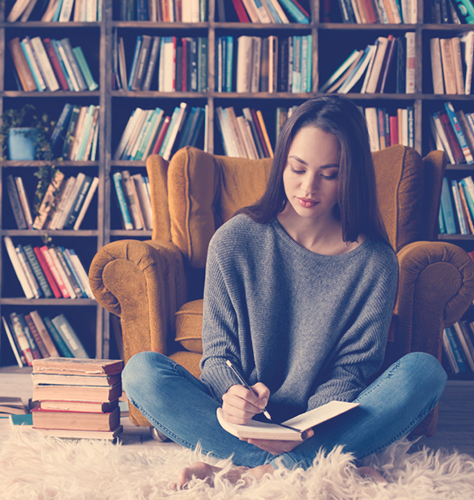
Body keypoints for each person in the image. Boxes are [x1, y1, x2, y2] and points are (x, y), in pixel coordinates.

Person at [121, 95, 448, 488]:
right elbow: (219, 353)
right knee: (141, 372)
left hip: (324, 423)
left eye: (329, 174)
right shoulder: (235, 240)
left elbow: (351, 370)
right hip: (242, 423)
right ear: (282, 164)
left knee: (425, 372)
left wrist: (313, 424)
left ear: (351, 176)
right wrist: (233, 394)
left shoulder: (375, 262)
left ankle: (252, 473)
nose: (308, 187)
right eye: (298, 168)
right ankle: (323, 464)